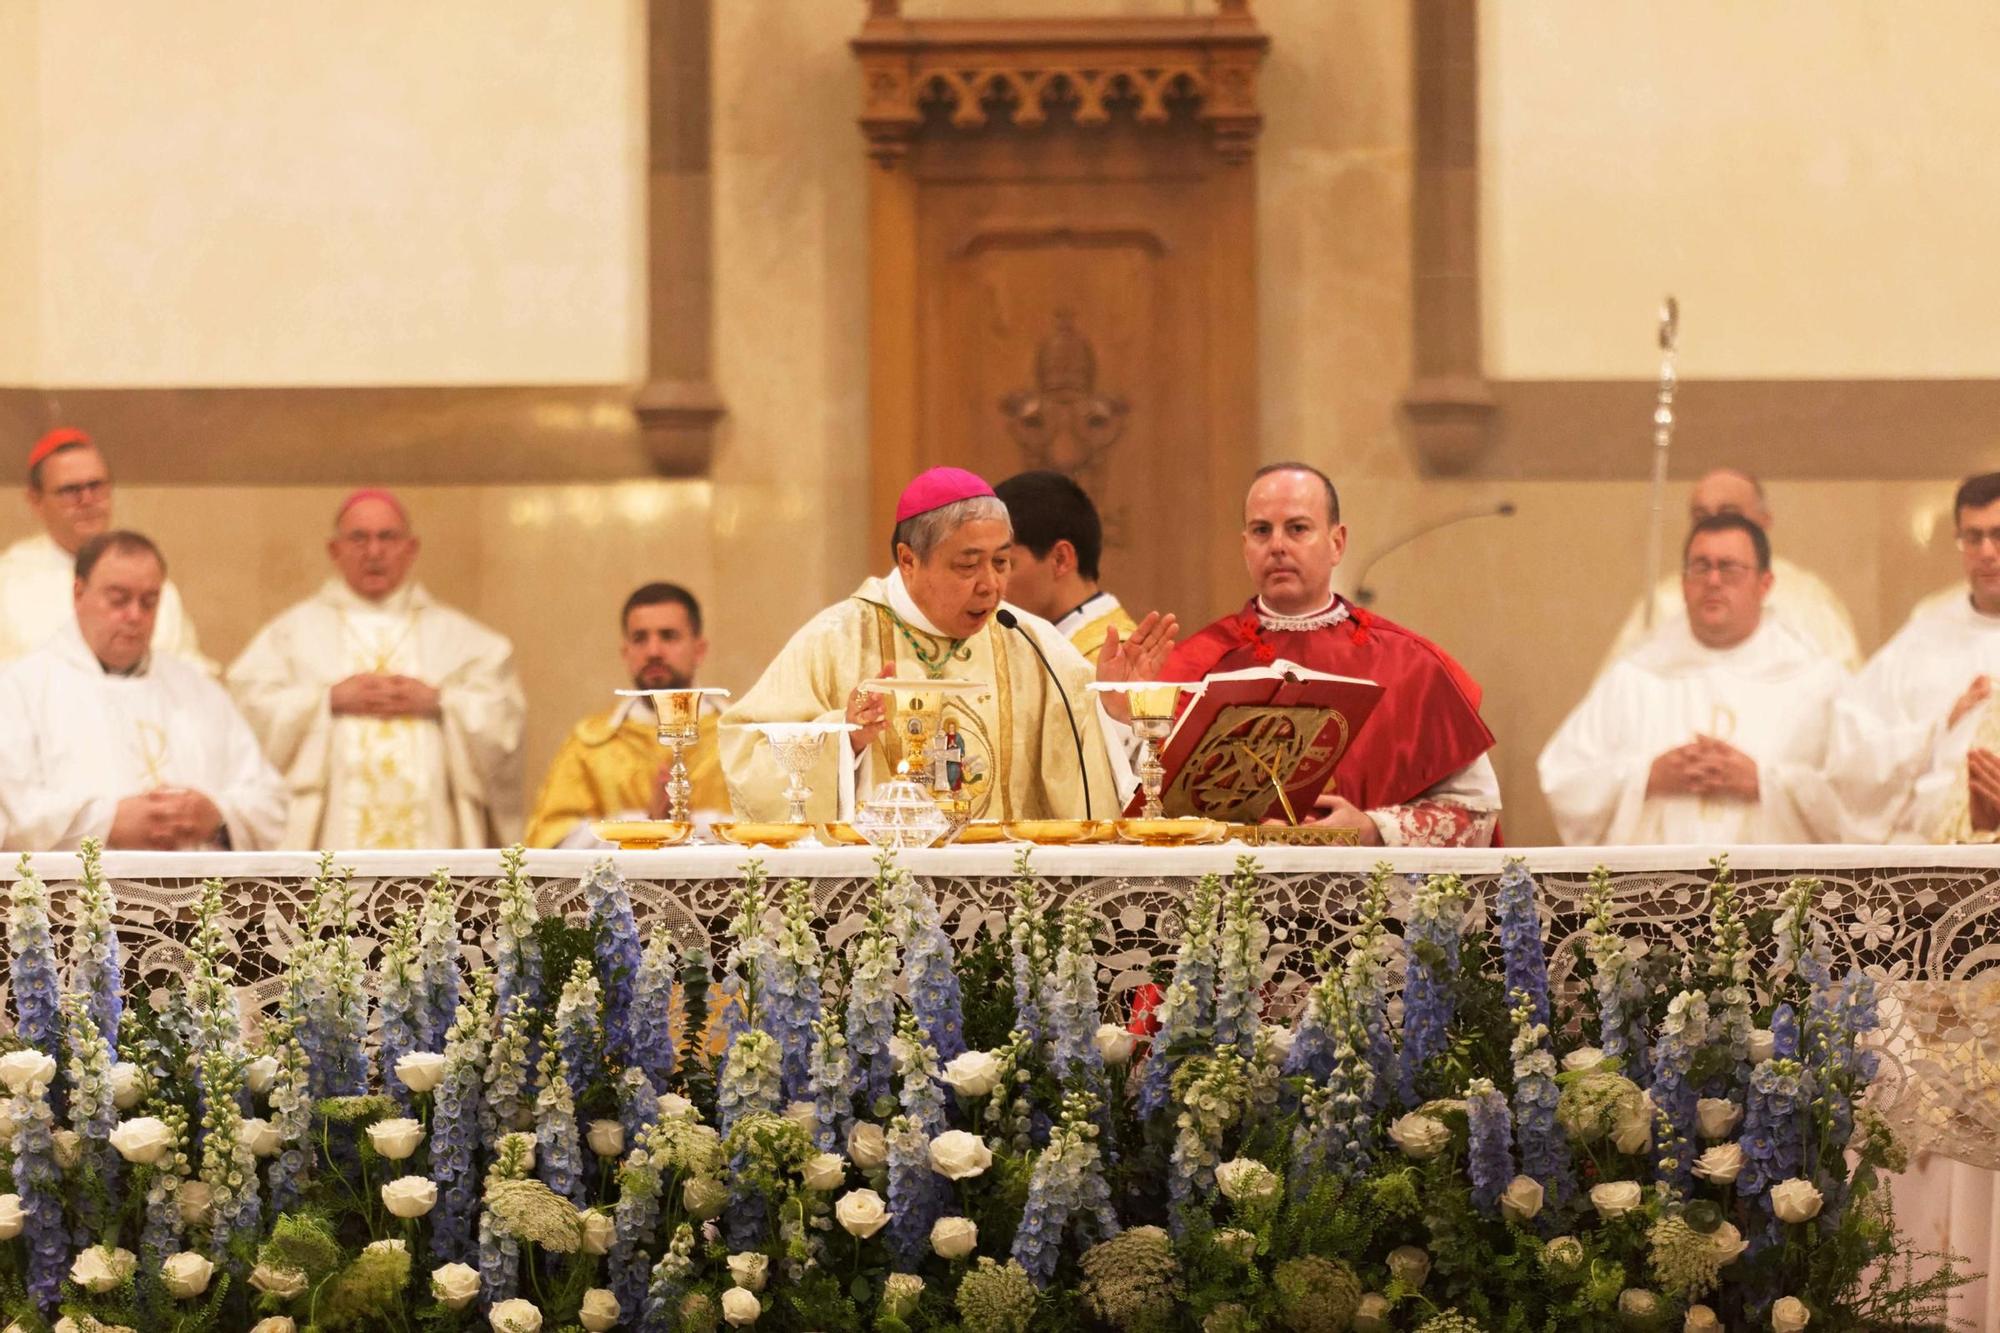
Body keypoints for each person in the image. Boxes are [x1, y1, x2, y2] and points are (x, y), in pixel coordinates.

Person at [720, 466, 1174, 822]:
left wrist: (1111, 713)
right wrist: (846, 740)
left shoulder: (1030, 641)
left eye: (1001, 562)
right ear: (908, 560)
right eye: (967, 565)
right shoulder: (838, 638)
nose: (991, 586)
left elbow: (1087, 776)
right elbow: (747, 754)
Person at [1162, 462, 1499, 846]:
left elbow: (1476, 815)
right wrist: (1120, 712)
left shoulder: (1411, 666)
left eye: (1297, 528)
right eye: (1261, 531)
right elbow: (1145, 811)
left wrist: (1374, 828)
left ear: (1337, 542)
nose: (1277, 545)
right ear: (1245, 547)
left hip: (1375, 898)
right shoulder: (1195, 666)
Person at [226, 489, 525, 848]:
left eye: (387, 537)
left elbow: (504, 720)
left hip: (434, 840)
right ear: (334, 550)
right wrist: (326, 701)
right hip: (329, 844)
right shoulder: (289, 635)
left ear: (411, 548)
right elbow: (245, 714)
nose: (374, 552)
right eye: (358, 538)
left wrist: (440, 702)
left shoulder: (465, 640)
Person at [1538, 514, 1845, 844]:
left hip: (1776, 891)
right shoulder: (1636, 677)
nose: (1713, 580)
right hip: (1654, 890)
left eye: (1729, 567)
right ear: (1684, 584)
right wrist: (1649, 776)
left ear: (1765, 584)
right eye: (1700, 567)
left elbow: (1853, 802)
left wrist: (1762, 782)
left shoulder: (1815, 680)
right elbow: (1564, 780)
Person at [0, 531, 285, 850]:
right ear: (78, 593)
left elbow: (269, 801)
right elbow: (11, 809)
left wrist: (217, 815)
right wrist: (105, 823)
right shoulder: (19, 689)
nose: (135, 615)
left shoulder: (198, 691)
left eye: (148, 602)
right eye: (119, 599)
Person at [1829, 472, 2000, 843]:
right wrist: (1938, 728)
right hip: (1936, 868)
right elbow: (1851, 765)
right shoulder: (1921, 641)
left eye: (1998, 534)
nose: (1986, 552)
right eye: (1973, 537)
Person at [523, 582, 727, 847]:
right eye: (640, 638)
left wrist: (687, 827)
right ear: (626, 652)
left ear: (699, 650)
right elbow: (549, 838)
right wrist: (644, 825)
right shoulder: (591, 744)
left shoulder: (740, 739)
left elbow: (778, 834)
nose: (653, 651)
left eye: (668, 636)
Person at [1599, 467, 1859, 674]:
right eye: (1702, 515)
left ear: (1765, 522)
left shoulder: (1808, 597)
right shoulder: (1664, 601)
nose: (1715, 524)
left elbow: (1843, 695)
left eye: (1730, 513)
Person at [0, 427, 210, 668]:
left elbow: (187, 669)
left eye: (96, 486)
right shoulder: (8, 581)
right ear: (36, 500)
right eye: (71, 490)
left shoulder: (143, 577)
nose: (87, 500)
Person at [993, 469, 1136, 664]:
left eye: (1003, 563)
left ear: (1060, 559)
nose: (990, 584)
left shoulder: (1112, 662)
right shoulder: (1047, 643)